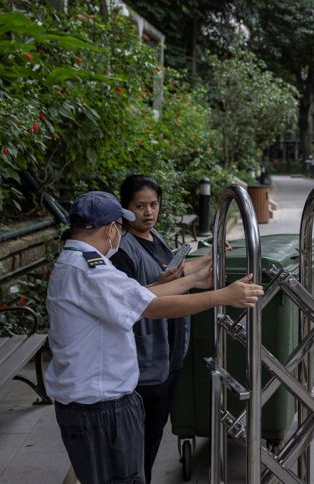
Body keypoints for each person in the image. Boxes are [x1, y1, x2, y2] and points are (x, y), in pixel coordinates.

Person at [44, 191, 262, 484]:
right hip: (100, 408)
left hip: (93, 402)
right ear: (111, 229)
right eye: (120, 226)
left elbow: (138, 295)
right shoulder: (91, 271)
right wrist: (222, 296)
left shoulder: (77, 262)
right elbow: (152, 307)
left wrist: (193, 280)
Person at [109, 175, 209, 482]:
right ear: (126, 210)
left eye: (153, 205)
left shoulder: (155, 237)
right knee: (142, 440)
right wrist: (161, 284)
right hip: (145, 361)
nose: (148, 212)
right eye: (139, 206)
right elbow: (127, 300)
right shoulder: (124, 251)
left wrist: (208, 258)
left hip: (170, 354)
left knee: (153, 434)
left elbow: (175, 273)